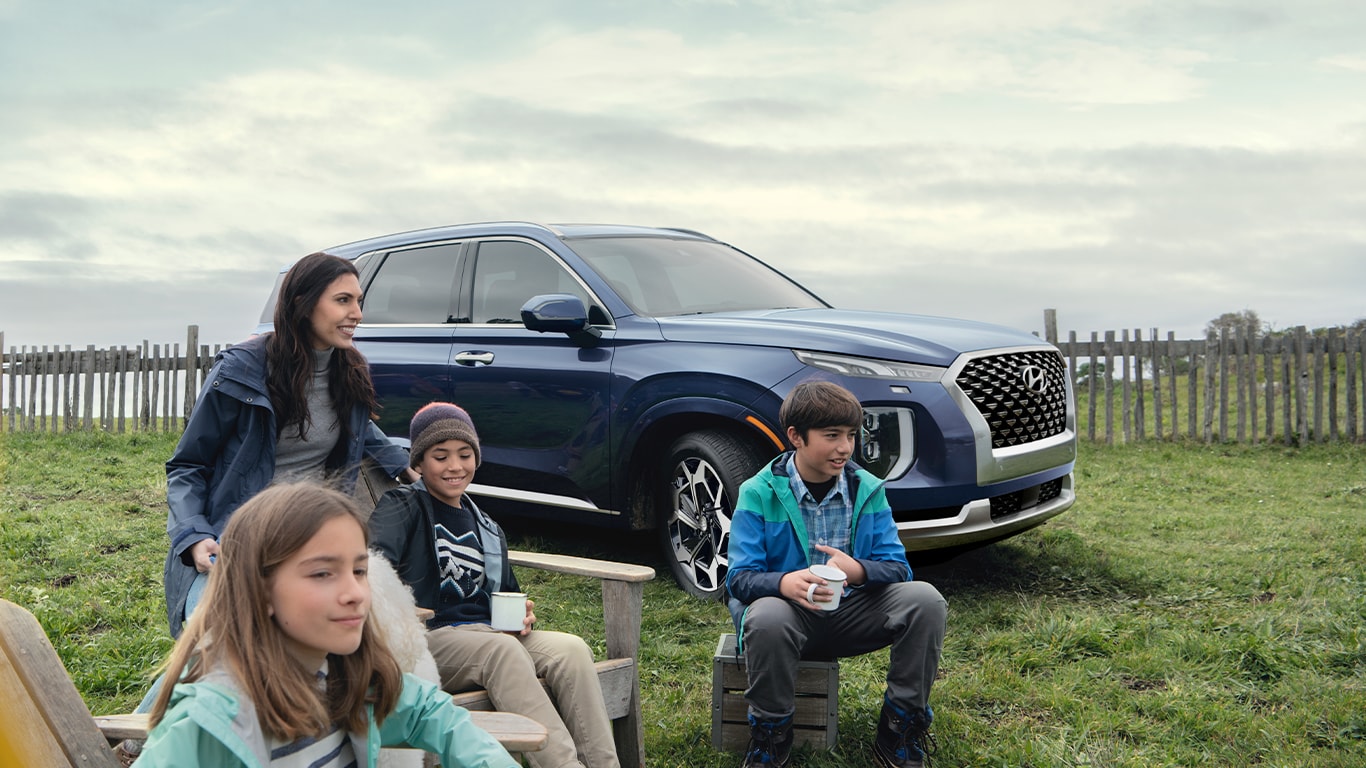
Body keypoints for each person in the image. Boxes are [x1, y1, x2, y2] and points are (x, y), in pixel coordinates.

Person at [119, 252, 415, 766]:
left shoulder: (349, 372)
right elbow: (187, 465)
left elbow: (363, 430)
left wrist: (407, 465)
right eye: (343, 300)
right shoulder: (243, 370)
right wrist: (192, 535)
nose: (357, 314)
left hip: (311, 539)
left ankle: (144, 742)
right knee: (224, 636)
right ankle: (142, 743)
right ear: (302, 305)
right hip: (234, 542)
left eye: (359, 301)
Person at [134, 482, 518, 768]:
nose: (355, 593)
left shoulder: (349, 675)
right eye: (322, 573)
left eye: (359, 570)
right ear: (260, 590)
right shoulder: (210, 721)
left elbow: (432, 714)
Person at [369, 402, 620, 768]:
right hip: (425, 635)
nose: (455, 466)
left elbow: (507, 592)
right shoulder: (402, 505)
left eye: (464, 454)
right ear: (419, 463)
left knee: (572, 651)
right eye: (440, 456)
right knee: (501, 651)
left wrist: (524, 613)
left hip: (485, 633)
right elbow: (373, 565)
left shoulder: (486, 525)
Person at [726, 381, 948, 768]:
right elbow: (739, 578)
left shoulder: (868, 489)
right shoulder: (757, 492)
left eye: (850, 435)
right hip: (788, 620)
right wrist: (782, 583)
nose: (845, 447)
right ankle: (771, 735)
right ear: (796, 436)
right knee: (765, 615)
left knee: (926, 600)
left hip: (853, 613)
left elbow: (898, 567)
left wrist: (857, 570)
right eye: (831, 436)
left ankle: (899, 730)